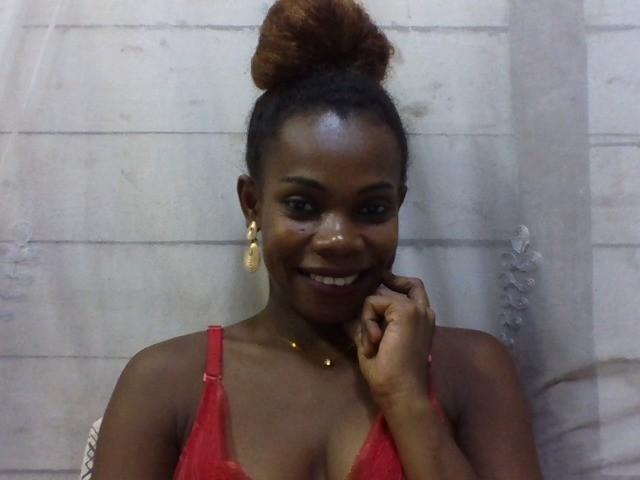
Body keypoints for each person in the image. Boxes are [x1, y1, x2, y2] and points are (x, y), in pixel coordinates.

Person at [92, 0, 544, 478]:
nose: (338, 240)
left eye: (371, 209)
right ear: (252, 204)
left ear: (399, 204)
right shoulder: (164, 383)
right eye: (303, 206)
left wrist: (406, 398)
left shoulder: (472, 371)